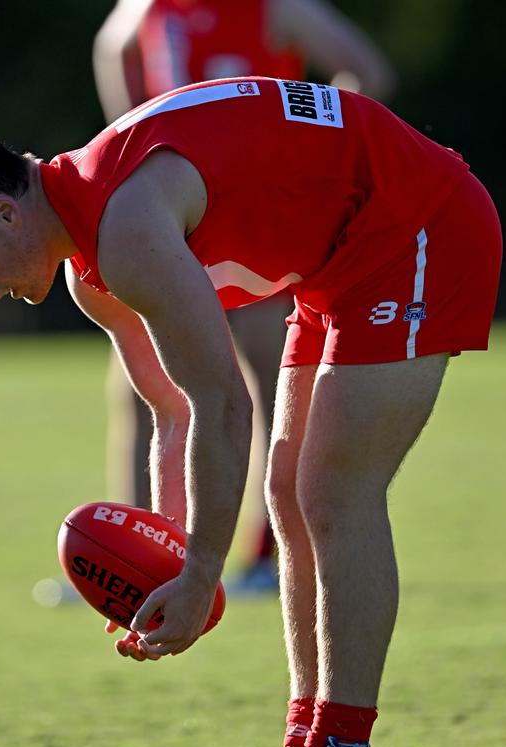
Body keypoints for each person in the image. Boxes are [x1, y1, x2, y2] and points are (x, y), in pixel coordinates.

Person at [0, 76, 501, 747]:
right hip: (341, 261)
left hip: (419, 221)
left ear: (4, 211)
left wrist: (203, 571)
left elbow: (223, 404)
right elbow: (173, 412)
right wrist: (169, 560)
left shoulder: (126, 227)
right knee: (289, 493)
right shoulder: (92, 264)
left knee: (335, 494)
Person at [93, 0, 396, 591]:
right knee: (141, 390)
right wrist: (133, 148)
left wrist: (310, 157)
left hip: (248, 220)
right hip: (174, 219)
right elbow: (112, 49)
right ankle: (133, 559)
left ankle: (270, 556)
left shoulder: (276, 7)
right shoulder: (151, 4)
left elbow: (366, 70)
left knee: (273, 388)